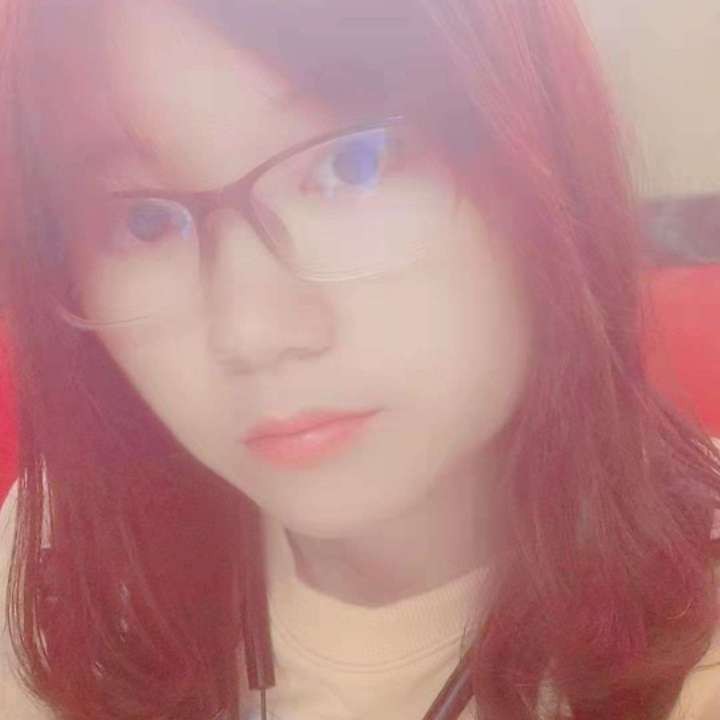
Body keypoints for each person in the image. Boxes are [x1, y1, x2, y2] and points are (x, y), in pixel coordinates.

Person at [1, 1, 720, 718]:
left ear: (542, 155)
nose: (250, 333)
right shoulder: (63, 552)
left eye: (352, 165)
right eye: (144, 220)